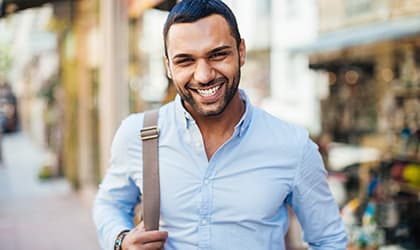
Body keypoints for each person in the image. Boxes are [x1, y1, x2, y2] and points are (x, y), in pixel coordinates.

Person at [93, 0, 347, 249]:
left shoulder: (292, 145)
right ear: (168, 66)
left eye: (218, 55)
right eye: (185, 61)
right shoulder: (137, 135)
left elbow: (329, 240)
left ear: (241, 52)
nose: (204, 76)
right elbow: (110, 204)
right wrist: (120, 240)